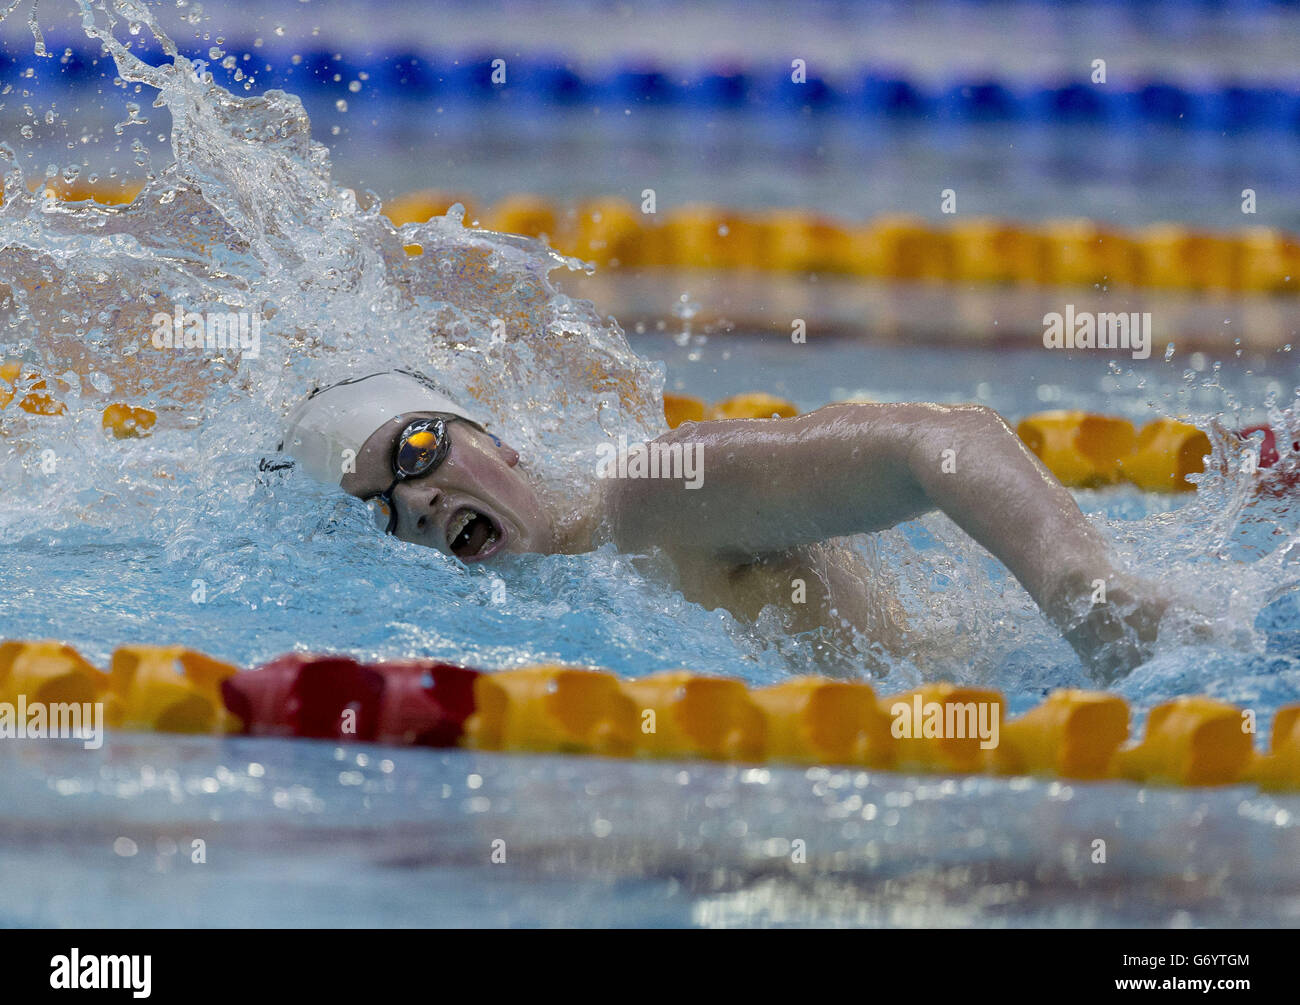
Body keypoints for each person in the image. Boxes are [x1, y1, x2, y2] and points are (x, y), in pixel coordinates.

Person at [281, 369, 1170, 682]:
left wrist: (1077, 585)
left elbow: (936, 439)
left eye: (417, 450)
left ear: (499, 443)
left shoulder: (653, 499)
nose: (419, 500)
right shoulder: (505, 631)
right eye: (382, 510)